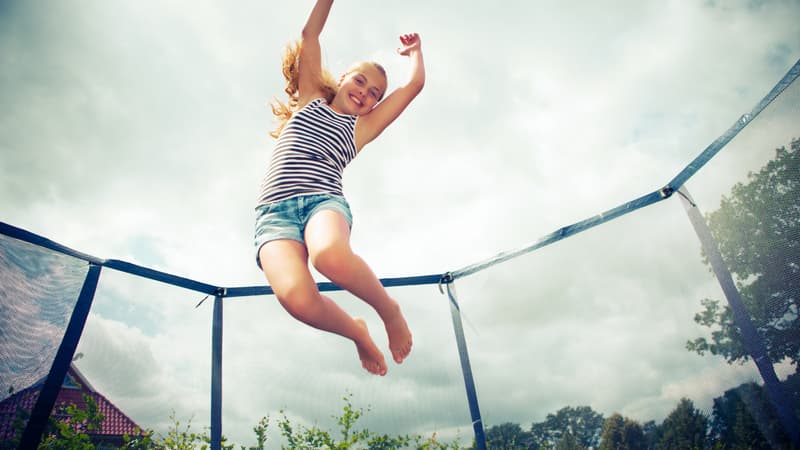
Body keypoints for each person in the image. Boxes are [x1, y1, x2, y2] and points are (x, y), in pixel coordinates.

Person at [254, 0, 425, 376]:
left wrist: (415, 53)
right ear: (343, 77)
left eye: (375, 93)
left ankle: (388, 310)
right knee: (296, 298)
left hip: (322, 203)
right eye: (360, 81)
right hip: (272, 216)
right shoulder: (311, 97)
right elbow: (309, 35)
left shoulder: (361, 128)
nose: (365, 93)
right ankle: (358, 333)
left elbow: (412, 86)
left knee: (328, 255)